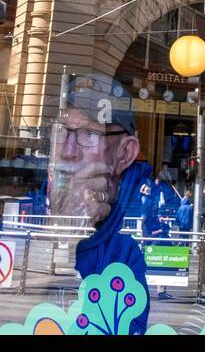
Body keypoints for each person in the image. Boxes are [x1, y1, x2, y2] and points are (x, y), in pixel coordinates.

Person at [48, 72, 152, 333]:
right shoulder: (31, 205)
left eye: (87, 133)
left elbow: (127, 325)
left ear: (125, 153)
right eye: (62, 131)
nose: (68, 150)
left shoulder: (135, 229)